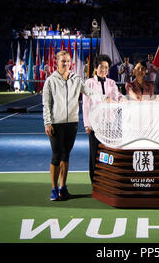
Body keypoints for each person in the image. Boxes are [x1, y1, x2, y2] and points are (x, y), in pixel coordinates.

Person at [43, 51, 109, 201]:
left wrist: (105, 98)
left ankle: (63, 187)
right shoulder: (50, 81)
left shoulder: (76, 79)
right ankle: (54, 189)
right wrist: (48, 122)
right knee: (56, 157)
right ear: (57, 62)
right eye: (62, 61)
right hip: (56, 124)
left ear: (71, 63)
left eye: (67, 61)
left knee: (66, 156)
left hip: (72, 123)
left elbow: (90, 92)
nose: (65, 64)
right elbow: (46, 104)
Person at [82, 54, 123, 183]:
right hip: (95, 124)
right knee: (95, 153)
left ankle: (107, 179)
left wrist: (123, 99)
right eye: (101, 67)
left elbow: (117, 96)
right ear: (95, 67)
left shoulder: (111, 83)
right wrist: (87, 124)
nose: (103, 70)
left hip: (109, 123)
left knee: (107, 152)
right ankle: (94, 181)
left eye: (106, 67)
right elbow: (86, 105)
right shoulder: (89, 83)